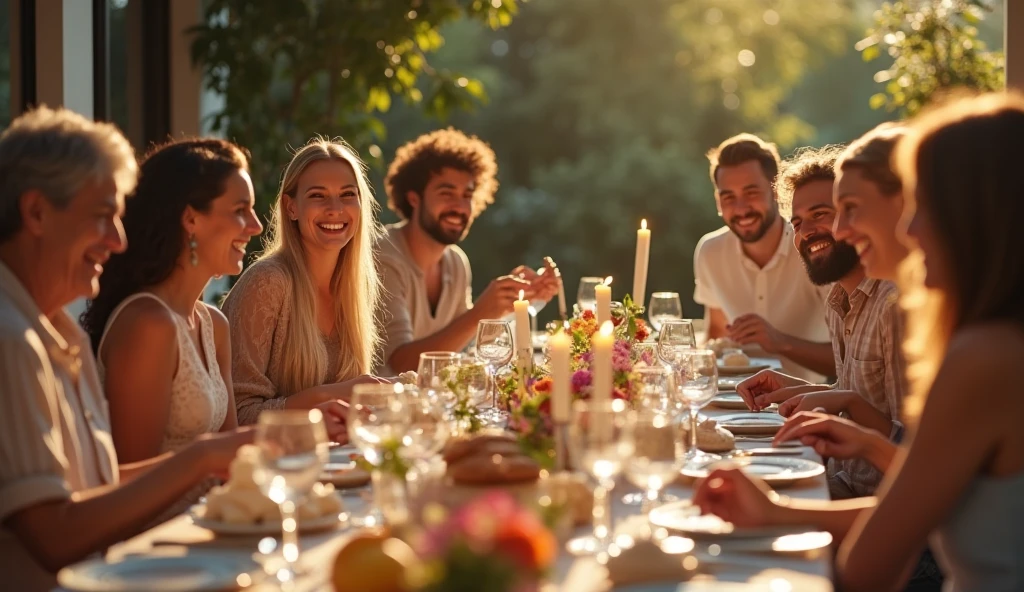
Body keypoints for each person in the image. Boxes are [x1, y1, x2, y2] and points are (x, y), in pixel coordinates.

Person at [694, 92, 1024, 592]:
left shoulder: (984, 358)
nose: (910, 228)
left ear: (980, 215)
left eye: (924, 205)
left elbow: (870, 567)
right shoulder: (992, 339)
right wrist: (855, 434)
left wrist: (779, 514)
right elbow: (938, 493)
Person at [0, 107, 250, 589]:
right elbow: (53, 537)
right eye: (101, 217)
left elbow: (96, 488)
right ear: (36, 212)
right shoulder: (13, 339)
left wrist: (223, 454)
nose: (117, 241)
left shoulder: (57, 331)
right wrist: (202, 458)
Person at [741, 143, 909, 500]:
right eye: (797, 223)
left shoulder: (894, 305)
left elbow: (908, 444)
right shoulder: (838, 301)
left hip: (874, 502)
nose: (806, 233)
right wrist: (794, 387)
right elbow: (861, 398)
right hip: (836, 479)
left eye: (822, 214)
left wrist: (841, 400)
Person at [82, 139, 260, 465]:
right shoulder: (148, 324)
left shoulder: (213, 324)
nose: (256, 226)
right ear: (191, 219)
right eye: (240, 211)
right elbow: (128, 482)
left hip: (217, 512)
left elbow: (233, 460)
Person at [222, 137, 388, 425]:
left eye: (348, 194)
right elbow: (237, 416)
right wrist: (337, 394)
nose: (335, 208)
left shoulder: (352, 287)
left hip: (333, 462)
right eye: (318, 196)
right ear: (291, 208)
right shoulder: (268, 283)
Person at [376, 128, 559, 373]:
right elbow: (400, 365)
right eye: (446, 193)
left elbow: (461, 347)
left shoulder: (456, 262)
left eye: (467, 195)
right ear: (413, 198)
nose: (460, 207)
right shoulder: (383, 255)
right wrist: (479, 314)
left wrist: (511, 302)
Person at [694, 133, 833, 381]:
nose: (741, 208)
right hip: (733, 402)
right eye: (728, 197)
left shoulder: (814, 246)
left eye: (751, 192)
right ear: (718, 202)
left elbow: (848, 360)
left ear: (776, 192)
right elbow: (716, 335)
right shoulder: (709, 251)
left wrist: (780, 342)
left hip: (808, 403)